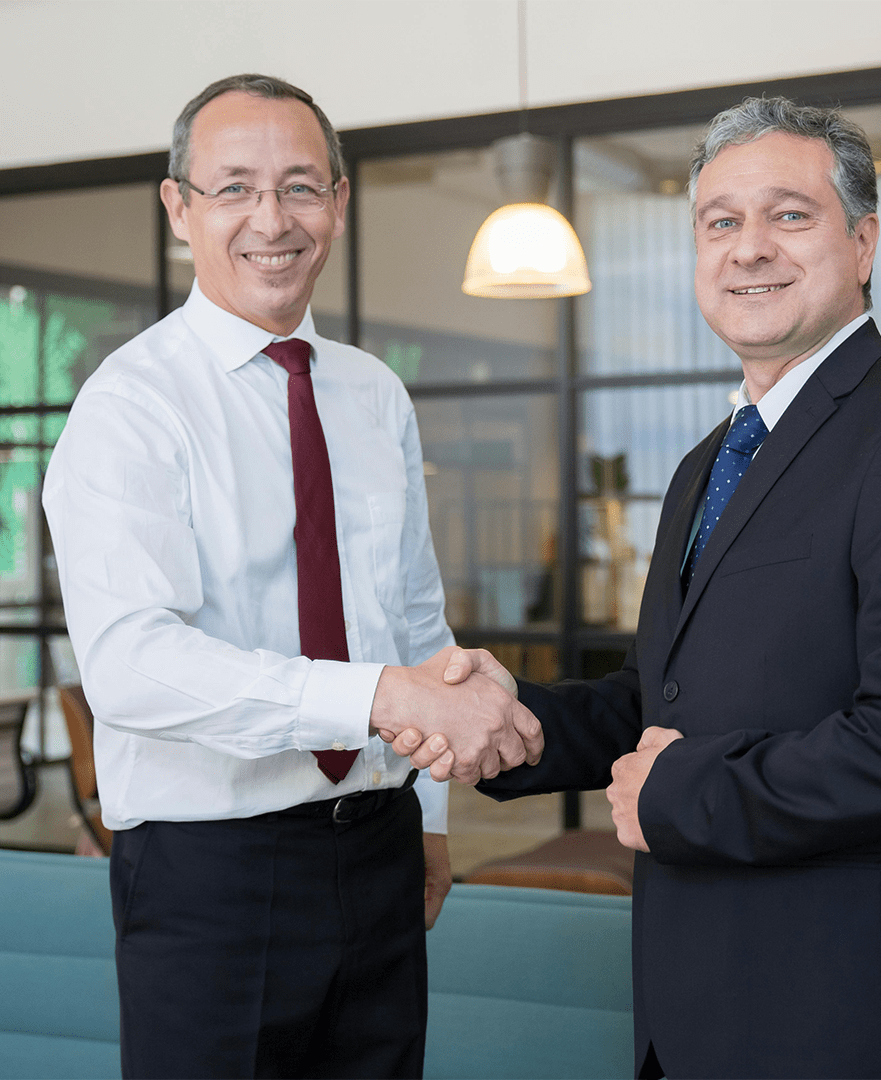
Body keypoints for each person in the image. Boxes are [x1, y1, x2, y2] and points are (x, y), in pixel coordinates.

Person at [405, 97, 881, 1079]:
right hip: (691, 1010)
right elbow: (662, 701)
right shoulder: (707, 463)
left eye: (789, 215)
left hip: (844, 1014)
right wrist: (505, 721)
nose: (749, 249)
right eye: (720, 222)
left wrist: (680, 792)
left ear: (862, 243)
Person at [43, 73, 540, 1080]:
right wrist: (375, 698)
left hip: (379, 849)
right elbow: (133, 665)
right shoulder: (130, 406)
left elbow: (412, 620)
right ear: (179, 208)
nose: (272, 219)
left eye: (301, 186)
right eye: (234, 188)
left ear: (340, 205)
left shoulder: (371, 392)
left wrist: (429, 817)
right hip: (210, 877)